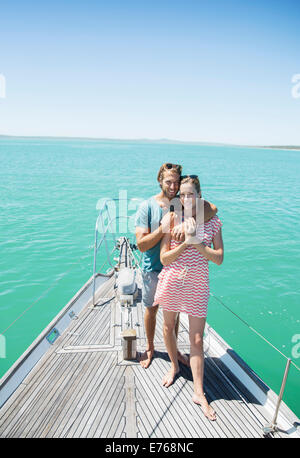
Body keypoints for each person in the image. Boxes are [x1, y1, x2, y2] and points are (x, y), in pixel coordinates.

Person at [154, 174, 224, 421]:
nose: (185, 198)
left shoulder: (212, 221)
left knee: (196, 339)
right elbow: (164, 259)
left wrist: (196, 243)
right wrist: (184, 245)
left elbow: (218, 258)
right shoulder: (171, 218)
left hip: (197, 283)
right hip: (173, 280)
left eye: (190, 194)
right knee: (168, 327)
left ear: (199, 195)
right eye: (181, 194)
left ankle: (198, 392)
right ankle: (174, 366)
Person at [135, 164, 218, 369]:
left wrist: (186, 223)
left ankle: (176, 351)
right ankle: (150, 347)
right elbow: (141, 244)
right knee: (152, 310)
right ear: (160, 181)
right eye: (168, 182)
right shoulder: (148, 206)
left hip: (176, 269)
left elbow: (213, 209)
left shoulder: (181, 202)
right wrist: (164, 229)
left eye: (175, 182)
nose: (172, 186)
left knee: (175, 314)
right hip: (154, 267)